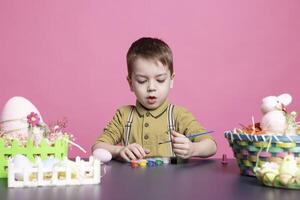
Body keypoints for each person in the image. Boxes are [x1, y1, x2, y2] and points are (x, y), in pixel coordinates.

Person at [92, 37, 217, 162]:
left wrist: (193, 149)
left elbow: (211, 145)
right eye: (142, 81)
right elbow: (98, 147)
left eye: (160, 80)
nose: (151, 88)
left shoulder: (179, 115)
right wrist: (119, 150)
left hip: (171, 181)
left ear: (171, 80)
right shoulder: (124, 115)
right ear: (130, 83)